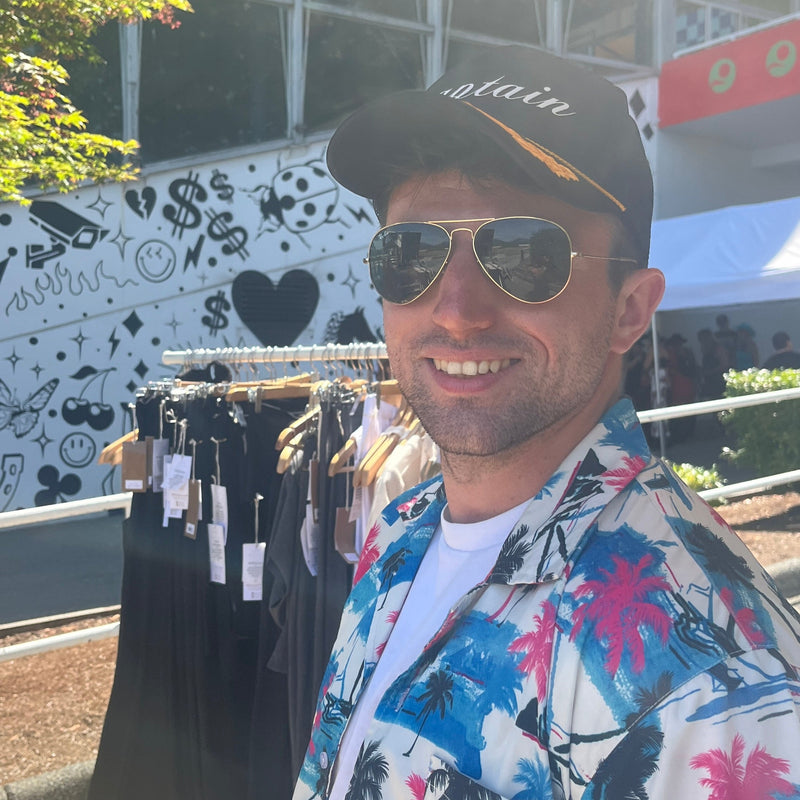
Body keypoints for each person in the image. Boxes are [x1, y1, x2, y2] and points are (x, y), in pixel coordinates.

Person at [292, 46, 800, 800]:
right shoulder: (397, 534)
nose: (456, 308)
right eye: (412, 254)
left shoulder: (712, 676)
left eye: (525, 255)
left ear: (630, 309)